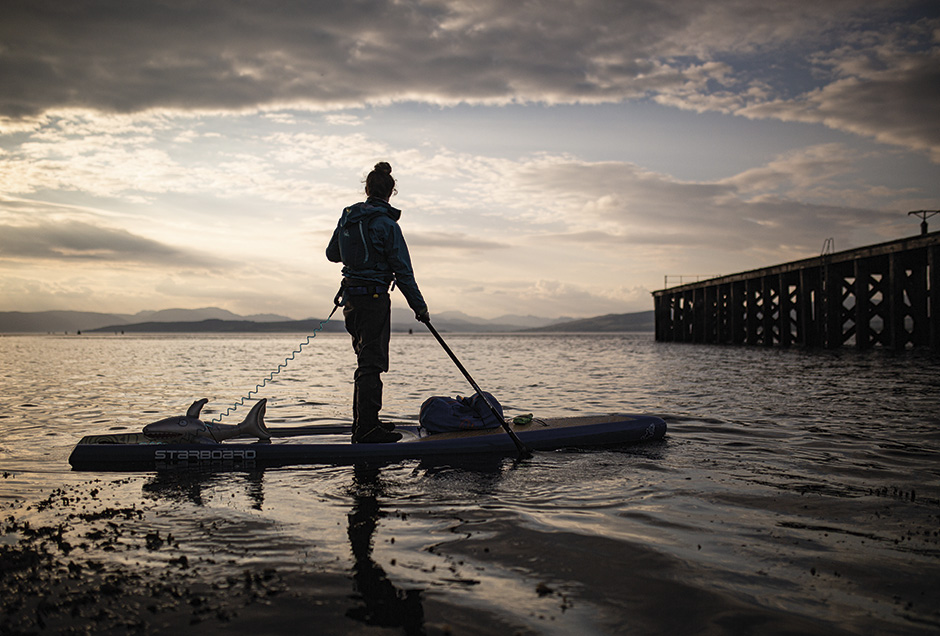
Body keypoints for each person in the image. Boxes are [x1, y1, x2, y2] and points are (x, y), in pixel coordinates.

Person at [327, 162, 430, 443]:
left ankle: (365, 423)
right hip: (373, 299)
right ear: (390, 192)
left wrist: (358, 252)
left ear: (367, 189)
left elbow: (332, 254)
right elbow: (403, 272)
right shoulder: (387, 225)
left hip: (351, 301)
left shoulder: (349, 218)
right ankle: (367, 429)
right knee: (372, 364)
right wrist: (420, 308)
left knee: (365, 361)